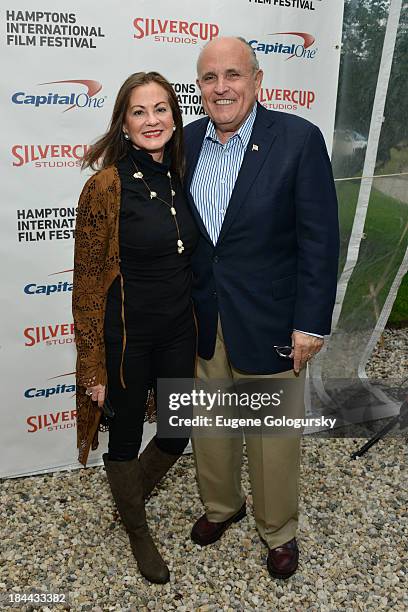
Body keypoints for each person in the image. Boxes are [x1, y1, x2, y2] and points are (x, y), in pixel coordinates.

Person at [184, 37, 339, 579]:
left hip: (272, 319)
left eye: (232, 75)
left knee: (272, 437)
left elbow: (320, 240)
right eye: (209, 78)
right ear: (198, 86)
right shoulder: (186, 141)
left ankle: (278, 530)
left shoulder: (297, 139)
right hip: (204, 318)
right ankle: (222, 506)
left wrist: (310, 323)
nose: (220, 88)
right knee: (210, 422)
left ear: (257, 79)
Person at [72, 71, 198, 584]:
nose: (152, 120)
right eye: (139, 112)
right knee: (123, 437)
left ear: (175, 115)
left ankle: (129, 496)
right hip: (128, 338)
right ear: (123, 124)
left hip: (178, 333)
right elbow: (84, 287)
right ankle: (138, 532)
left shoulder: (182, 173)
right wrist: (92, 361)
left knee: (176, 431)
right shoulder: (105, 186)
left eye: (161, 109)